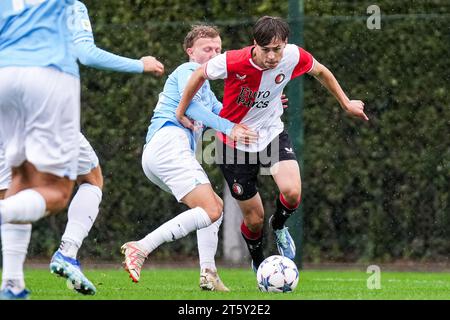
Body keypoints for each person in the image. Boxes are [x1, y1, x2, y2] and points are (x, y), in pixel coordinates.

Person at [176, 16, 369, 271]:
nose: (271, 57)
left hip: (271, 134)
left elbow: (321, 71)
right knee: (254, 220)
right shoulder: (232, 61)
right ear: (255, 44)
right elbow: (199, 74)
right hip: (232, 145)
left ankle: (279, 226)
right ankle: (259, 263)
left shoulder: (293, 56)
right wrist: (182, 111)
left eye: (276, 49)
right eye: (265, 50)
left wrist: (345, 103)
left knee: (292, 192)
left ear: (285, 44)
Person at [0, 1, 165, 299]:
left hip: (4, 80)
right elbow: (85, 54)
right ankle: (66, 253)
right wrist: (139, 64)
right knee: (76, 184)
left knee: (17, 184)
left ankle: (12, 284)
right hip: (47, 81)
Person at [120, 25, 257, 290]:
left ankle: (209, 273)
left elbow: (228, 112)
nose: (214, 54)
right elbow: (191, 105)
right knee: (212, 209)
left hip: (160, 153)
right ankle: (141, 248)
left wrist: (265, 103)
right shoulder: (186, 71)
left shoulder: (206, 88)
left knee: (212, 208)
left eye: (218, 50)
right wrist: (229, 129)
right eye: (208, 49)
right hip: (168, 144)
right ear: (190, 51)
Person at [0, 0, 81, 300]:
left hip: (4, 73)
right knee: (58, 192)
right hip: (49, 72)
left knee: (19, 178)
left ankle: (12, 284)